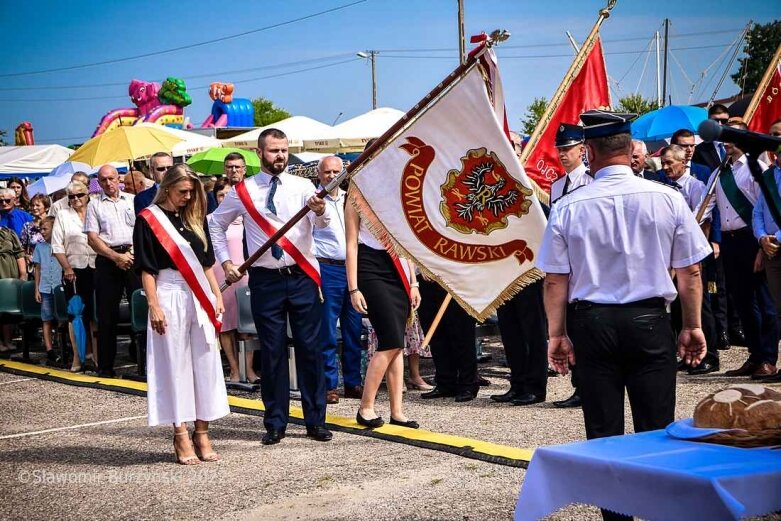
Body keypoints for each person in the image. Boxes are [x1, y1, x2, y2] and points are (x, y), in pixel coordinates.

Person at [540, 110, 710, 521]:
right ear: (628, 147)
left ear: (590, 152)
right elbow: (690, 270)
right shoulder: (667, 198)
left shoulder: (567, 206)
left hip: (592, 322)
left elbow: (554, 281)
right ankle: (661, 512)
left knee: (603, 435)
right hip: (649, 320)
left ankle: (616, 519)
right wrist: (692, 325)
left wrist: (556, 334)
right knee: (656, 430)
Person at [210, 128, 333, 445]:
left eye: (284, 150)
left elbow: (321, 225)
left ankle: (315, 420)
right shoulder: (243, 191)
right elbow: (215, 223)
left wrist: (321, 213)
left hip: (303, 275)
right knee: (273, 352)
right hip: (266, 281)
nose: (280, 155)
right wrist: (226, 262)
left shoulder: (304, 185)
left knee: (310, 350)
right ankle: (275, 422)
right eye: (274, 150)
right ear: (259, 152)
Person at [134, 164, 229, 465]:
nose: (187, 197)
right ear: (167, 188)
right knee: (174, 364)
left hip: (199, 293)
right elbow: (146, 268)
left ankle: (203, 431)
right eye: (182, 191)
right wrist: (154, 305)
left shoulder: (196, 217)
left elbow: (206, 263)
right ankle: (181, 434)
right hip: (168, 291)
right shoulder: (149, 221)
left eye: (192, 192)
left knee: (204, 362)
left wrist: (216, 295)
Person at [698, 120, 779, 378]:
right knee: (742, 303)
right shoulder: (718, 173)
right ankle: (754, 356)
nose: (727, 142)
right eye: (724, 137)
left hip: (754, 240)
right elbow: (705, 208)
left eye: (732, 136)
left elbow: (764, 208)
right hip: (731, 242)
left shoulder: (759, 168)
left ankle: (768, 357)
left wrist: (760, 244)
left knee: (766, 303)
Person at [346, 187, 422, 429]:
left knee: (397, 343)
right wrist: (353, 288)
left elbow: (404, 241)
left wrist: (413, 281)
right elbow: (351, 244)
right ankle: (365, 407)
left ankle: (396, 411)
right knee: (390, 341)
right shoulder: (356, 197)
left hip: (397, 266)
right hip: (370, 266)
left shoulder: (398, 191)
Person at [659, 145, 720, 374]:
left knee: (699, 304)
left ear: (683, 162)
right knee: (677, 304)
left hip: (691, 250)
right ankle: (686, 353)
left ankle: (710, 354)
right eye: (663, 163)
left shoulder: (696, 187)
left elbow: (702, 215)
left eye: (669, 163)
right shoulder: (664, 188)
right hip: (671, 251)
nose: (665, 168)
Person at [312, 155, 364, 404]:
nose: (332, 177)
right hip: (327, 268)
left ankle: (354, 382)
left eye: (336, 172)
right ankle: (329, 384)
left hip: (352, 268)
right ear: (319, 174)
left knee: (354, 328)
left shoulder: (352, 198)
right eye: (327, 172)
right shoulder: (312, 201)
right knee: (328, 331)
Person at [85, 165, 140, 378]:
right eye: (103, 180)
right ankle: (106, 366)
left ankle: (142, 360)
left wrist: (132, 253)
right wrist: (115, 257)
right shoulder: (94, 205)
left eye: (111, 179)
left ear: (119, 179)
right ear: (98, 182)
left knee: (140, 307)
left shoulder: (132, 200)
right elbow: (92, 237)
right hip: (108, 259)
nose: (108, 183)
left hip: (133, 256)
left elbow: (141, 230)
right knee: (107, 315)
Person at [208, 177, 258, 384]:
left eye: (228, 194)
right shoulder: (211, 220)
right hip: (221, 272)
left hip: (245, 274)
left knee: (246, 323)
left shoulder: (247, 218)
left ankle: (249, 369)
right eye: (220, 195)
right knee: (226, 324)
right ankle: (234, 369)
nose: (224, 198)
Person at [52, 181, 98, 372]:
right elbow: (57, 245)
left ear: (88, 194)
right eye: (71, 196)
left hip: (97, 267)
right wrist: (67, 268)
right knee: (76, 315)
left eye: (80, 195)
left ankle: (96, 356)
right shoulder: (62, 215)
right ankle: (78, 358)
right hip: (74, 270)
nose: (76, 199)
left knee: (96, 314)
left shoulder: (95, 210)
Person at [750, 118, 781, 383]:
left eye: (778, 134)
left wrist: (777, 237)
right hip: (772, 251)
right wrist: (762, 238)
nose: (773, 140)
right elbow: (758, 210)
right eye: (771, 135)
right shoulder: (769, 175)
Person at [418, 278, 477, 402]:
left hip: (455, 281)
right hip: (427, 281)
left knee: (462, 334)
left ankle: (468, 384)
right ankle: (445, 383)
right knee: (436, 336)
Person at [32, 216, 62, 365]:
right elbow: (37, 269)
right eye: (40, 229)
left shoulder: (61, 244)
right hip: (45, 287)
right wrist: (36, 289)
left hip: (59, 287)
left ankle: (64, 346)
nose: (42, 232)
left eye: (45, 229)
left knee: (62, 317)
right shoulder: (39, 247)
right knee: (46, 318)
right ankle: (49, 349)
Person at [0, 225, 26, 358]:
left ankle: (8, 341)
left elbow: (19, 253)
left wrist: (23, 274)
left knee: (7, 310)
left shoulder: (8, 232)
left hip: (9, 275)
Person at [549, 123, 590, 202]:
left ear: (582, 150)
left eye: (566, 149)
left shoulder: (591, 181)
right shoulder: (556, 186)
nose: (561, 154)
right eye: (559, 149)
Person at [693, 104, 731, 172]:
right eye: (716, 121)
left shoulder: (738, 146)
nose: (720, 124)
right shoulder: (699, 151)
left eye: (724, 121)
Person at [20, 193, 50, 274]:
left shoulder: (54, 223)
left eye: (37, 205)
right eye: (32, 205)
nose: (34, 208)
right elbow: (22, 247)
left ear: (46, 207)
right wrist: (26, 256)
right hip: (35, 266)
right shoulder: (27, 226)